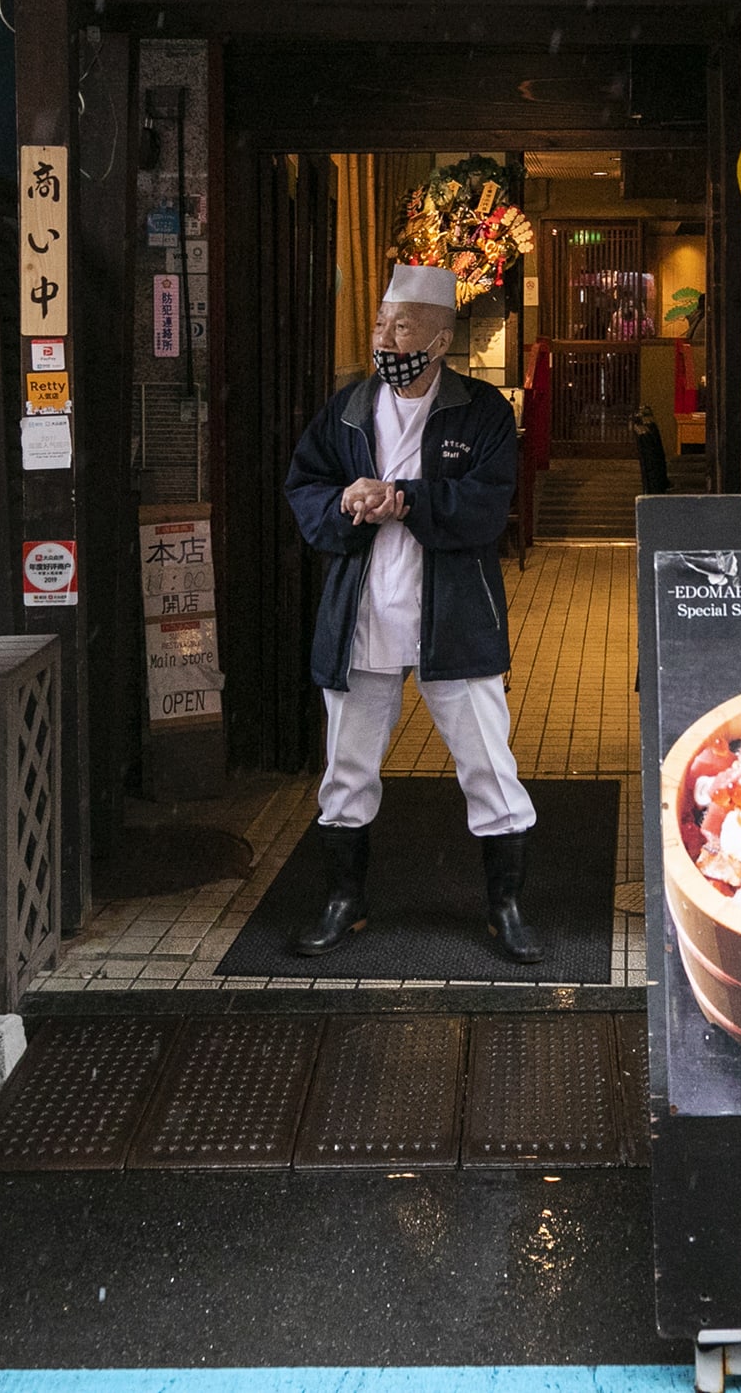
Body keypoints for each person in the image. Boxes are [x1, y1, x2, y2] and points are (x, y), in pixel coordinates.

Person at [283, 263, 542, 963]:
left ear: (441, 338)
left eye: (402, 326)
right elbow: (304, 485)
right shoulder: (345, 409)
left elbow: (487, 506)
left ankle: (506, 906)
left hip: (452, 616)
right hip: (362, 613)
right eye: (380, 322)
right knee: (347, 763)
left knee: (488, 762)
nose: (385, 337)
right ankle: (344, 899)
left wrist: (404, 499)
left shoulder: (482, 412)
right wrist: (344, 503)